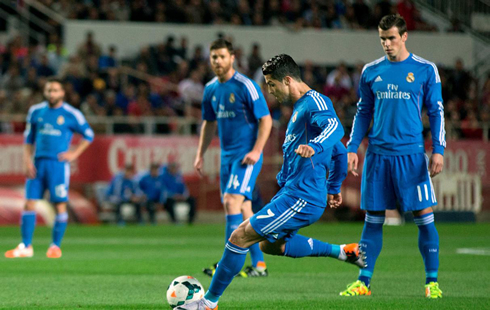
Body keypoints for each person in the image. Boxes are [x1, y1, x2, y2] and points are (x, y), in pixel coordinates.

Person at [178, 54, 365, 310]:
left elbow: (335, 128)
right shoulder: (301, 107)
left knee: (239, 236)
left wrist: (315, 145)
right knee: (270, 245)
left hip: (302, 196)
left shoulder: (316, 103)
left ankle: (208, 303)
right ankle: (343, 251)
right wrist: (333, 187)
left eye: (272, 84)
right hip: (293, 193)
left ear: (287, 80)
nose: (270, 91)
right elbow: (340, 152)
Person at [340, 14, 445, 299]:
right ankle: (364, 283)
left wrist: (439, 150)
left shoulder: (425, 69)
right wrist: (352, 148)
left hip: (411, 156)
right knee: (372, 220)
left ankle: (431, 283)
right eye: (382, 39)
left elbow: (436, 112)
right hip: (377, 156)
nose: (387, 44)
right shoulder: (371, 71)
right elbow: (363, 113)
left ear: (405, 36)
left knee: (425, 218)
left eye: (392, 38)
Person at [194, 39, 273, 278]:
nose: (217, 61)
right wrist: (200, 154)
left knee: (231, 202)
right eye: (213, 57)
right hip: (227, 158)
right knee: (244, 206)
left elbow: (266, 120)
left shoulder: (245, 85)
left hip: (246, 157)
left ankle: (229, 264)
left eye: (221, 56)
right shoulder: (210, 89)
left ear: (232, 58)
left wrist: (257, 150)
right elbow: (208, 123)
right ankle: (259, 265)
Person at [5, 78, 94, 259]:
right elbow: (28, 139)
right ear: (45, 93)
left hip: (58, 165)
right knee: (29, 202)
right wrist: (26, 161)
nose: (51, 94)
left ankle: (55, 246)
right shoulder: (36, 111)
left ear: (62, 93)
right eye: (49, 90)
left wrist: (74, 154)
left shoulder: (71, 114)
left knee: (59, 205)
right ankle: (26, 246)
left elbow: (89, 135)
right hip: (37, 163)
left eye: (55, 90)